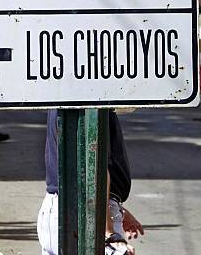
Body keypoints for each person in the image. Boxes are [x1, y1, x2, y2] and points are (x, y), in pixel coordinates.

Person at [37, 109, 143, 254]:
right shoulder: (90, 99)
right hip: (84, 214)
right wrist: (108, 231)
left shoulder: (67, 97)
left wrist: (116, 210)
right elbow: (93, 166)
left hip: (73, 207)